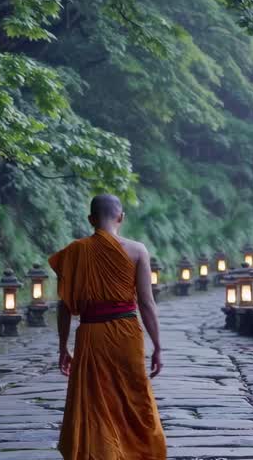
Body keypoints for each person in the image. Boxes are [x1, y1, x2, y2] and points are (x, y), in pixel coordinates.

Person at [48, 194, 167, 460]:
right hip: (127, 333)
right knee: (133, 398)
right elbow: (147, 303)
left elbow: (65, 305)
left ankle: (101, 452)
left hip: (91, 334)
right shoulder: (137, 251)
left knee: (93, 401)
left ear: (90, 219)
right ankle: (137, 452)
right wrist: (158, 346)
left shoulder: (75, 251)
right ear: (121, 217)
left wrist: (62, 347)